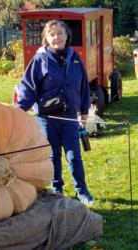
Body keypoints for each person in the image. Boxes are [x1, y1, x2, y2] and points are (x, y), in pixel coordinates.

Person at [15, 20, 96, 206]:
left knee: (74, 155)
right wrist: (20, 110)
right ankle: (56, 189)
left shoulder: (75, 58)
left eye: (60, 33)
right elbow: (28, 88)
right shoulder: (39, 59)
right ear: (46, 38)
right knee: (52, 156)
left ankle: (82, 191)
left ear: (67, 36)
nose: (56, 37)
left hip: (69, 117)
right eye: (51, 34)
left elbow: (83, 86)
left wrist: (84, 111)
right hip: (47, 118)